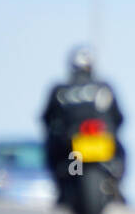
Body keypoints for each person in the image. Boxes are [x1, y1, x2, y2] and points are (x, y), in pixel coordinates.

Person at [41, 46, 126, 200]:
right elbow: (119, 117)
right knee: (120, 150)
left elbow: (46, 118)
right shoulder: (103, 87)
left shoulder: (61, 89)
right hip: (77, 144)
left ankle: (113, 180)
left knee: (51, 148)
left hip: (75, 142)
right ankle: (116, 182)